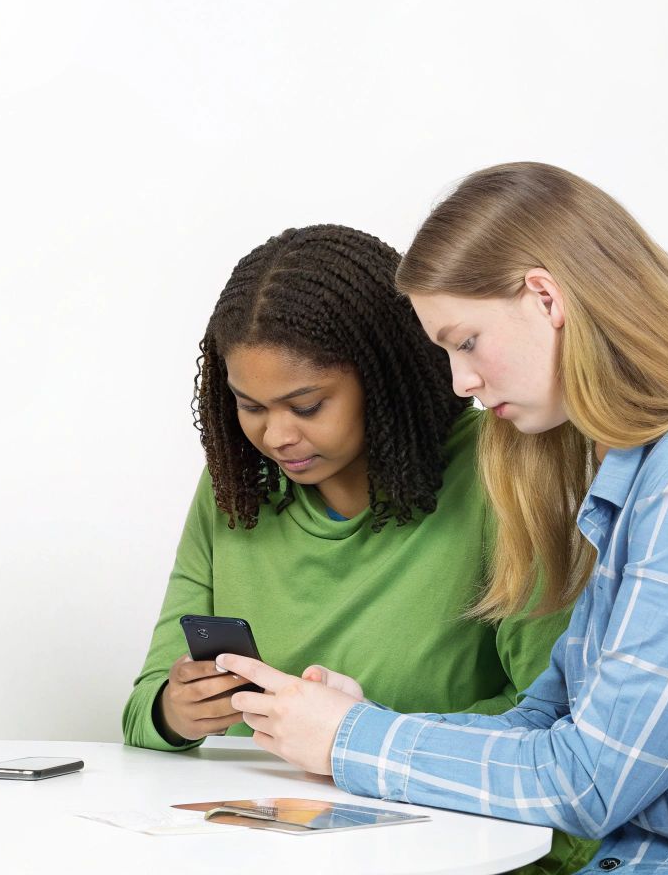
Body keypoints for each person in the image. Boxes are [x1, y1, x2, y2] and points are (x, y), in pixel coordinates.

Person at [217, 163, 668, 873]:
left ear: (546, 298)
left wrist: (352, 740)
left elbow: (588, 782)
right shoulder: (648, 476)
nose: (461, 382)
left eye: (466, 342)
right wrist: (356, 726)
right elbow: (545, 726)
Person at [122, 224, 590, 874]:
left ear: (385, 376)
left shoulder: (503, 470)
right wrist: (176, 710)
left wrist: (357, 736)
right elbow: (143, 710)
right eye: (249, 406)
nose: (276, 435)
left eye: (307, 405)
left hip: (458, 847)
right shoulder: (236, 488)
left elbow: (559, 730)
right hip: (261, 849)